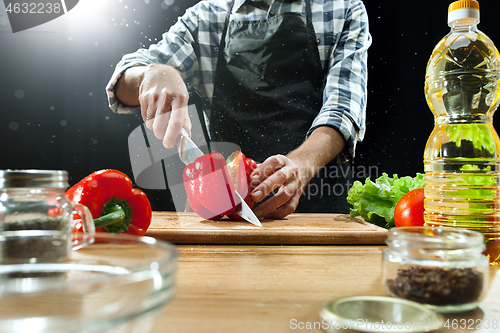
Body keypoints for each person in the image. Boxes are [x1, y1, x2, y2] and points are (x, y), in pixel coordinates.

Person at [106, 0, 371, 219]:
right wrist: (153, 73)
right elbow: (123, 84)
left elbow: (343, 110)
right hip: (225, 212)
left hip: (316, 210)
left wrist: (300, 167)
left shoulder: (342, 9)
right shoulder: (207, 15)